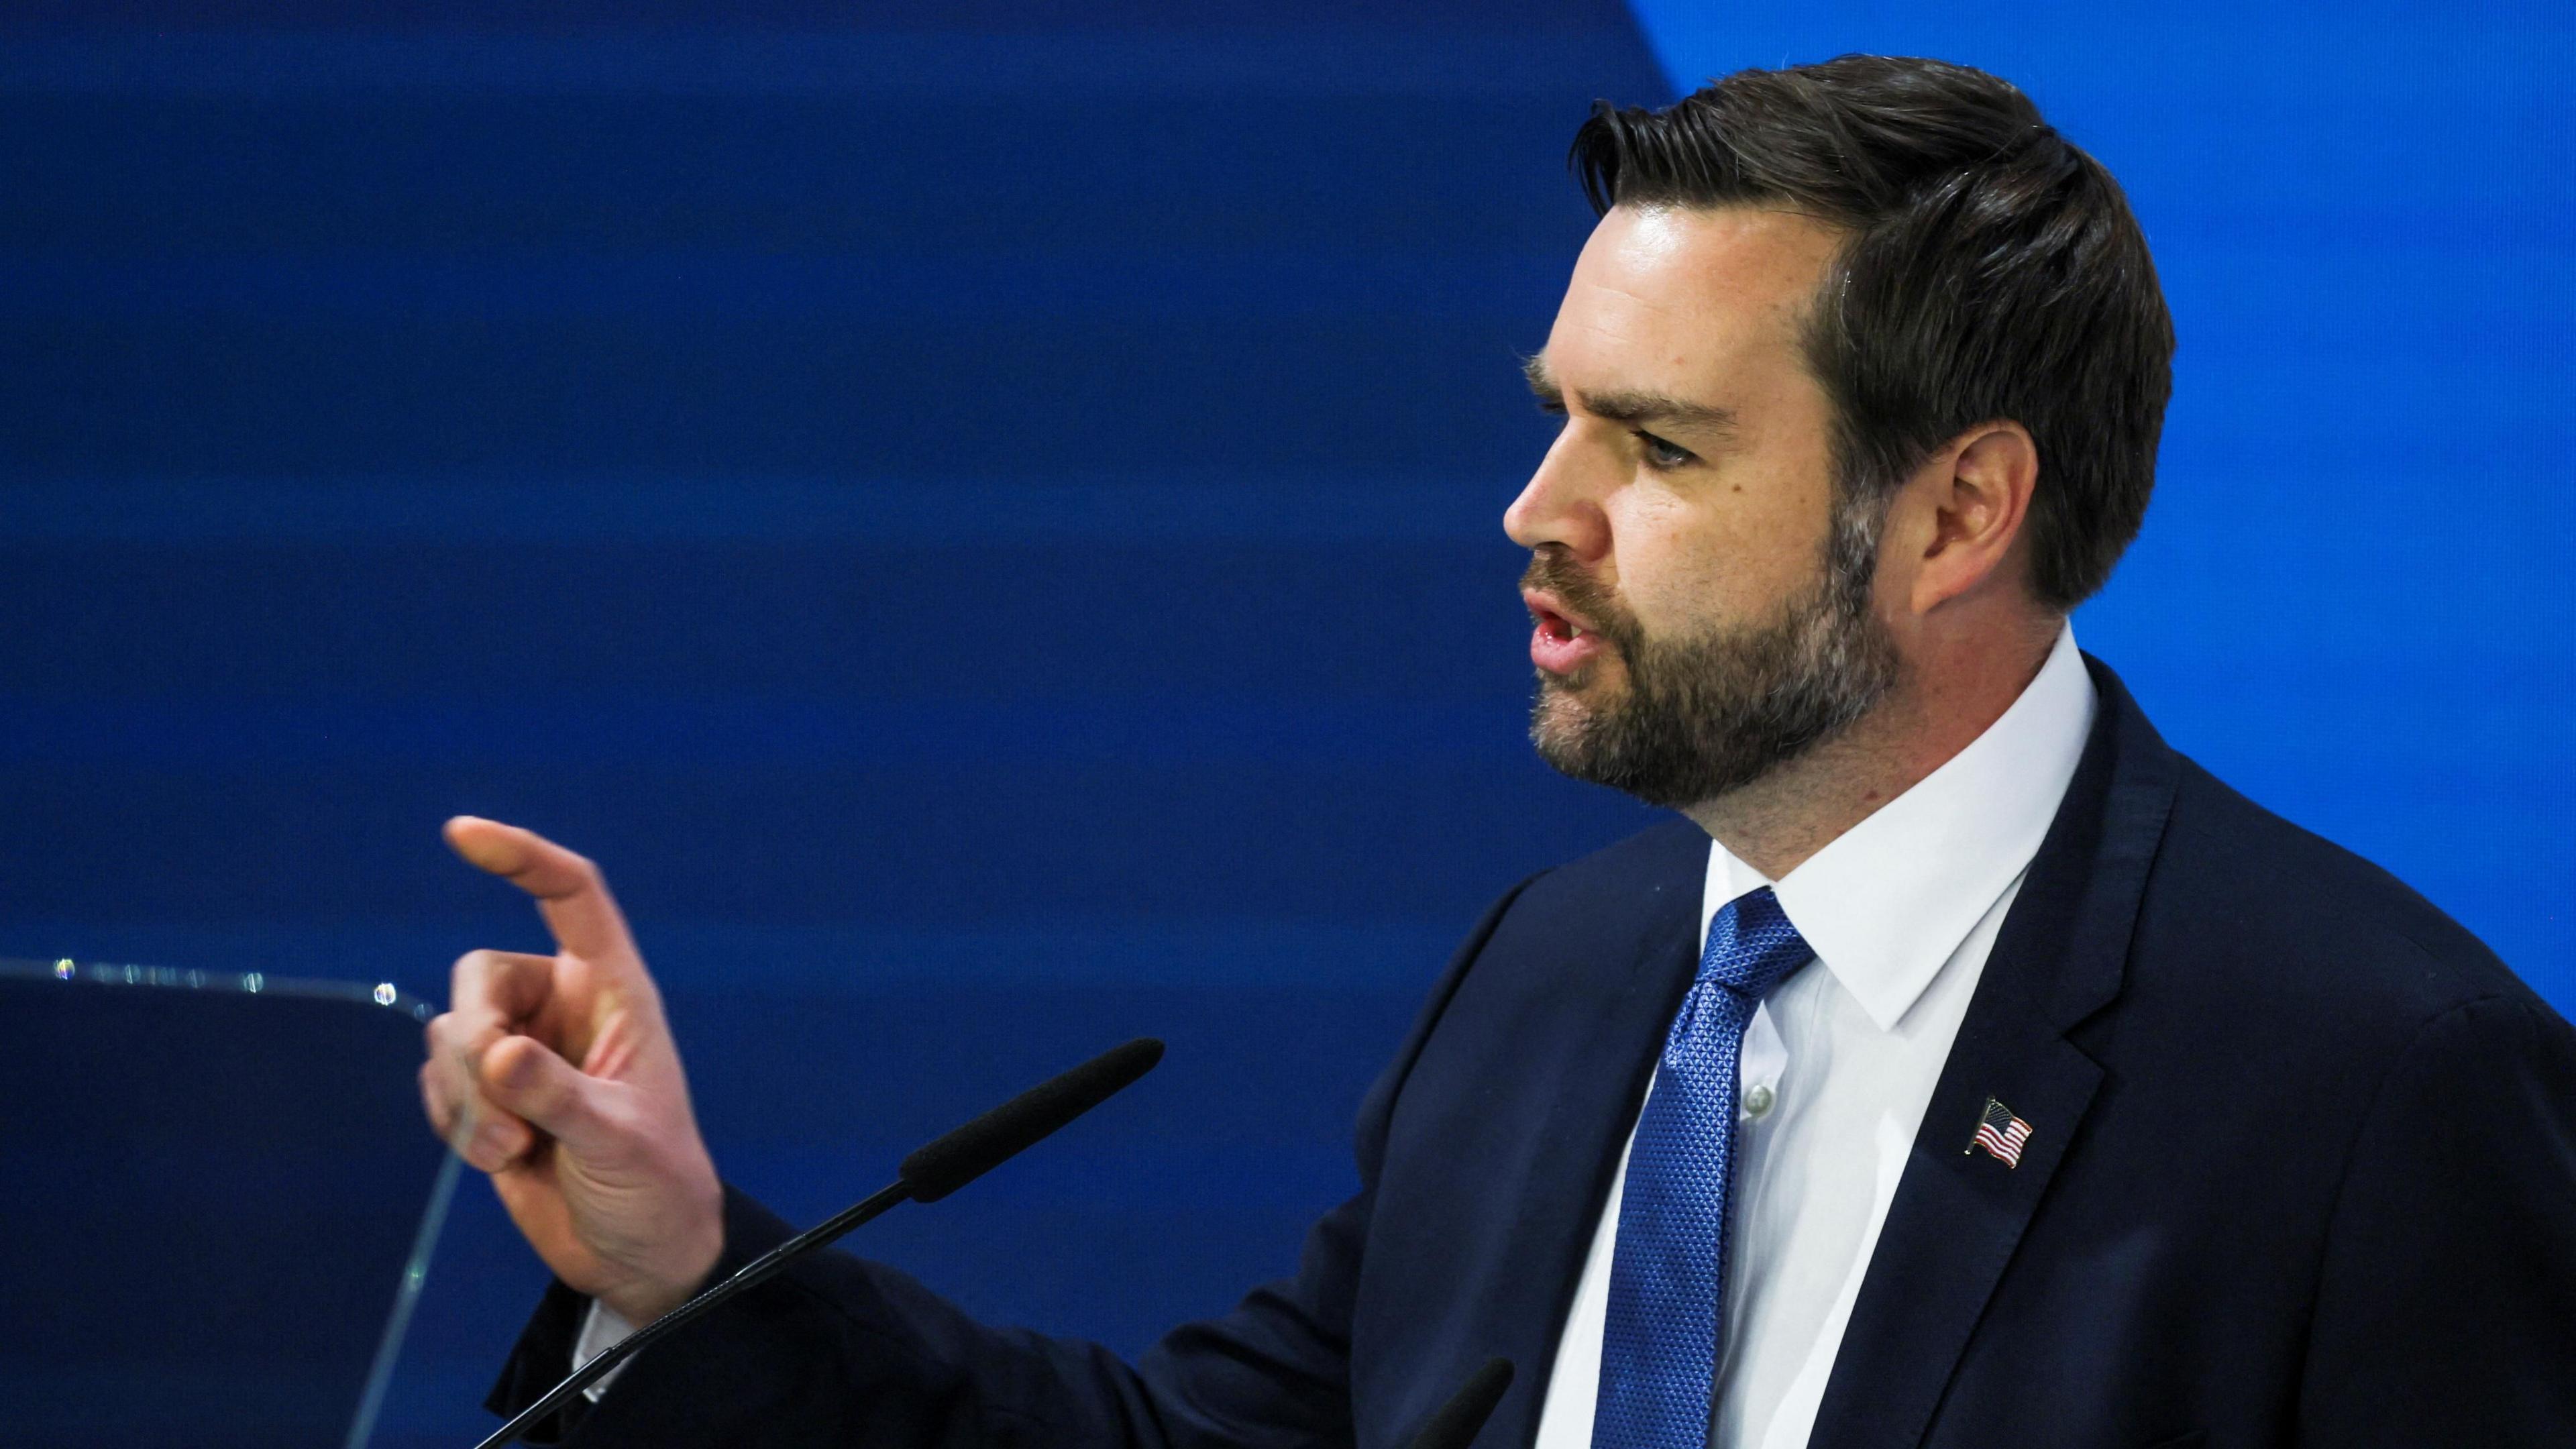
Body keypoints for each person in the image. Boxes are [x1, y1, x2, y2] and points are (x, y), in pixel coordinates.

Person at [419, 55, 2576, 1448]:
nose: (1537, 508)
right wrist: (684, 1272)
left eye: (1654, 443)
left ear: (1956, 512)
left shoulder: (2381, 1087)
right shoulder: (1556, 979)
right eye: (1556, 411)